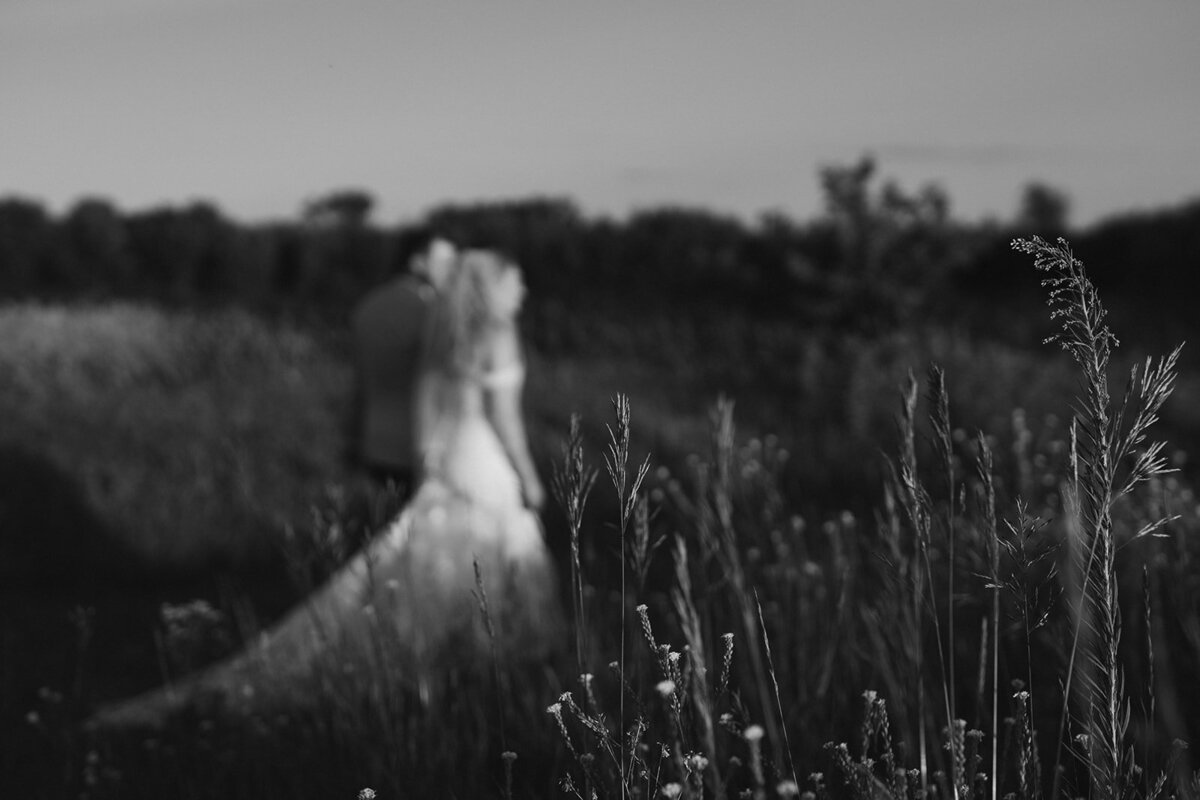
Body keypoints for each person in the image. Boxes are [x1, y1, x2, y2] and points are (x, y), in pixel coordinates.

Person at [88, 249, 557, 729]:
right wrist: (530, 477)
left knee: (436, 558)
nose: (520, 290)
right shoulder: (498, 333)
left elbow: (425, 406)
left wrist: (426, 462)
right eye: (515, 281)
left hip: (450, 454)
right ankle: (482, 666)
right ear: (492, 285)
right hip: (483, 455)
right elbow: (505, 418)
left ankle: (442, 664)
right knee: (490, 558)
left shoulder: (442, 330)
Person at [349, 230, 458, 492]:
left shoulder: (368, 304)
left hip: (374, 440)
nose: (453, 271)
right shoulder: (434, 311)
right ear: (417, 262)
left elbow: (360, 382)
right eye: (445, 262)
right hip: (423, 445)